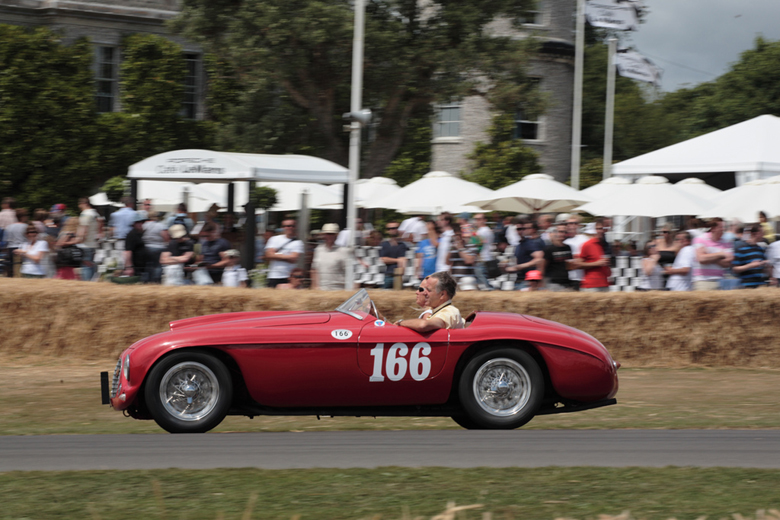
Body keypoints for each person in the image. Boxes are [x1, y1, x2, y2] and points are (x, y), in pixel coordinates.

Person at [394, 271, 463, 331]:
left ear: (442, 295)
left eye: (428, 290)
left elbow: (423, 325)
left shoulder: (449, 311)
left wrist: (400, 323)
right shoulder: (439, 310)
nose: (424, 293)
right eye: (425, 289)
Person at [692, 218, 733, 291]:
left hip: (720, 281)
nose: (723, 229)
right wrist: (721, 254)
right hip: (703, 281)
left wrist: (708, 255)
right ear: (713, 228)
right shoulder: (700, 239)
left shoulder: (726, 242)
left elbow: (728, 262)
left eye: (724, 227)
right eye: (721, 227)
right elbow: (701, 259)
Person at [265, 219, 305, 288]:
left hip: (289, 277)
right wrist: (287, 257)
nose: (289, 228)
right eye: (287, 226)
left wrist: (276, 255)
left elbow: (293, 258)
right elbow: (268, 255)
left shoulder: (298, 242)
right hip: (274, 275)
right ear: (282, 227)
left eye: (292, 226)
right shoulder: (274, 239)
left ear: (295, 227)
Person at [311, 223, 350, 290]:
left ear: (337, 236)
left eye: (332, 234)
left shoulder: (344, 251)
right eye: (327, 234)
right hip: (322, 289)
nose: (329, 236)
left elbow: (350, 272)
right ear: (323, 235)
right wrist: (315, 286)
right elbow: (314, 270)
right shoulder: (318, 250)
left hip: (338, 289)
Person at [509, 219, 545, 288]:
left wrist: (520, 266)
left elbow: (539, 259)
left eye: (522, 229)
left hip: (529, 281)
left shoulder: (531, 243)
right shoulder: (520, 244)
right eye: (518, 229)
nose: (520, 231)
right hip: (520, 280)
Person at [578, 220, 611, 292]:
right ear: (593, 230)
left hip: (604, 283)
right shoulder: (587, 244)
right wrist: (597, 263)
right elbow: (579, 264)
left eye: (602, 228)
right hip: (591, 286)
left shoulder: (604, 245)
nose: (600, 231)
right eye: (598, 229)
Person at [732, 224, 768, 288]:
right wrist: (750, 265)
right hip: (747, 287)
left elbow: (763, 269)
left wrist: (765, 264)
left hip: (760, 286)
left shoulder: (760, 249)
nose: (763, 235)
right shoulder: (740, 249)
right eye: (762, 233)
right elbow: (735, 269)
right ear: (755, 234)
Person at [543, 225, 575, 291]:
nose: (563, 234)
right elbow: (543, 266)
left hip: (567, 282)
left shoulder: (568, 247)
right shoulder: (549, 249)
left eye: (565, 232)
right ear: (555, 233)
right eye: (560, 232)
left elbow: (569, 267)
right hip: (553, 283)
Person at [379, 221, 408, 289]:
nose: (392, 230)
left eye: (395, 228)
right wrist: (398, 260)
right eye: (390, 228)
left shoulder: (402, 245)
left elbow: (403, 260)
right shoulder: (384, 244)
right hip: (388, 274)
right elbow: (384, 259)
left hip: (398, 274)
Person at [77, 197, 100, 282]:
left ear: (84, 204)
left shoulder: (85, 214)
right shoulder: (95, 213)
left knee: (86, 265)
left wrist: (79, 238)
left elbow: (84, 229)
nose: (80, 207)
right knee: (91, 264)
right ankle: (92, 282)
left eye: (80, 205)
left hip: (85, 244)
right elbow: (100, 227)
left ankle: (87, 284)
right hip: (93, 244)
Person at [472, 213, 495, 291]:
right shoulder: (486, 230)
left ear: (485, 220)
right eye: (476, 219)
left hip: (482, 257)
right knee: (482, 278)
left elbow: (477, 244)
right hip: (485, 257)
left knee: (482, 279)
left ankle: (489, 290)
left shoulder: (483, 231)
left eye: (479, 219)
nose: (477, 221)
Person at [122, 212, 148, 280]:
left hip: (142, 266)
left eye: (141, 222)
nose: (140, 224)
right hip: (135, 267)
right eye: (137, 222)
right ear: (133, 224)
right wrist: (129, 267)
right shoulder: (132, 235)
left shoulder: (140, 233)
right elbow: (128, 252)